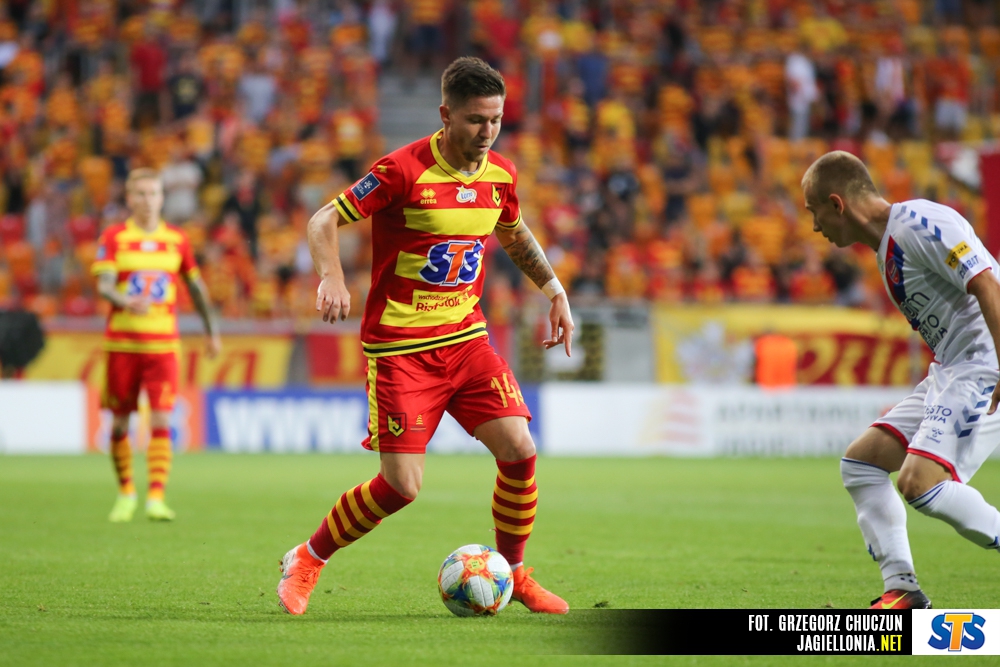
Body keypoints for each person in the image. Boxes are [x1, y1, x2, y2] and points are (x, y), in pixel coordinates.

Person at [276, 57, 574, 616]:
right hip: (401, 350)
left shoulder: (501, 175)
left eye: (496, 119)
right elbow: (323, 220)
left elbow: (513, 233)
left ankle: (514, 574)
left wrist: (554, 289)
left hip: (466, 339)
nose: (487, 132)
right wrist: (332, 277)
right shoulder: (401, 170)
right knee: (400, 488)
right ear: (445, 115)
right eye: (475, 120)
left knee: (520, 450)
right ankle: (307, 558)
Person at [802, 151, 1000, 609]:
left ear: (837, 204)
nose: (814, 226)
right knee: (861, 464)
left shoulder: (920, 223)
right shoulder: (886, 250)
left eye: (814, 212)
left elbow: (987, 284)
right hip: (951, 369)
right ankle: (902, 589)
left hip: (983, 364)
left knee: (918, 482)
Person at [91, 169, 221, 522]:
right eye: (141, 194)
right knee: (120, 423)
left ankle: (156, 497)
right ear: (129, 199)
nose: (147, 201)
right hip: (122, 345)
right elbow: (104, 285)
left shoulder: (177, 239)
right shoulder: (114, 237)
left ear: (162, 198)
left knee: (162, 417)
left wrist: (211, 331)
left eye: (153, 194)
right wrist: (124, 300)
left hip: (163, 345)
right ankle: (126, 493)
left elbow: (196, 288)